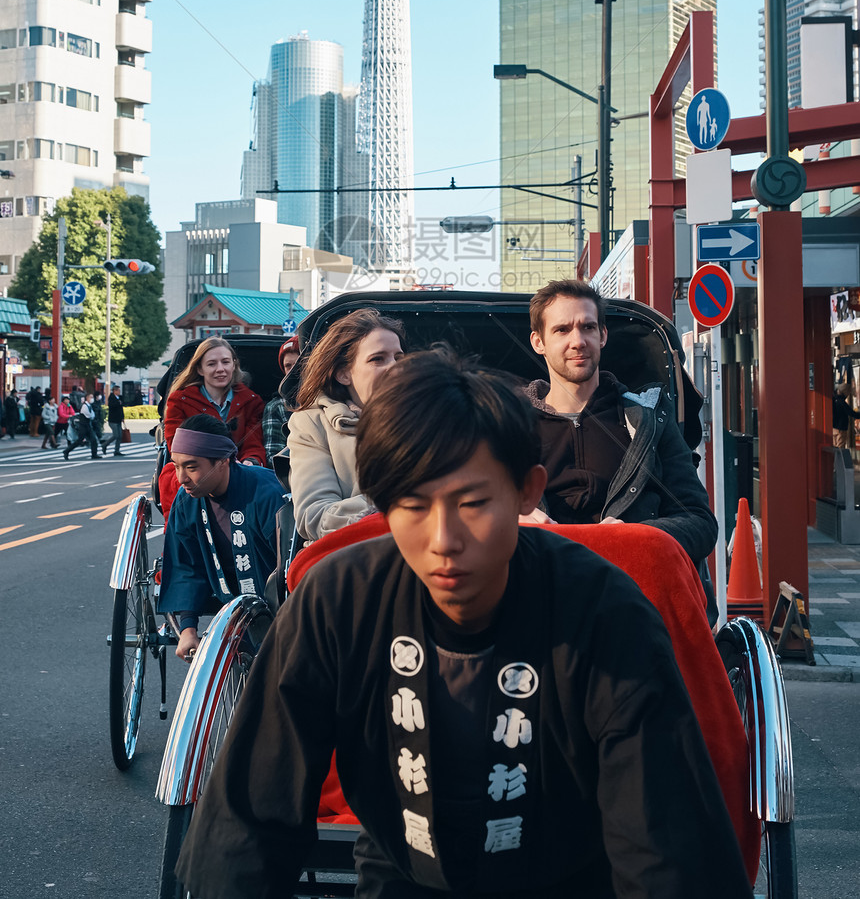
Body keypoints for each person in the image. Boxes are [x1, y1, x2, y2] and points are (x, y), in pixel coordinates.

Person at [177, 347, 754, 899]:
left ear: (527, 491)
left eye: (473, 503)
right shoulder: (338, 602)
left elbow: (664, 840)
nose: (443, 542)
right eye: (412, 505)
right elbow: (253, 812)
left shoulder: (603, 609)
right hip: (404, 878)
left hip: (572, 880)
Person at [525, 279, 717, 566]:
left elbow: (700, 523)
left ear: (602, 335)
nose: (577, 341)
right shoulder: (508, 427)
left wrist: (634, 536)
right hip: (539, 591)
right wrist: (512, 522)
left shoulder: (649, 420)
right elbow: (462, 513)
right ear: (538, 342)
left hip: (631, 590)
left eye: (587, 327)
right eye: (562, 329)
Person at [158, 413, 284, 663]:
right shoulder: (185, 501)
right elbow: (186, 566)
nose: (181, 478)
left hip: (278, 606)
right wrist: (188, 630)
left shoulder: (268, 494)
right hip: (227, 598)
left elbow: (291, 567)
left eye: (191, 467)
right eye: (176, 466)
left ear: (223, 461)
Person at [286, 308, 405, 540]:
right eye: (378, 359)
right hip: (359, 555)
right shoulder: (312, 425)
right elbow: (314, 516)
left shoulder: (434, 415)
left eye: (399, 358)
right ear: (343, 374)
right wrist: (400, 497)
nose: (395, 368)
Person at [159, 337, 267, 517]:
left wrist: (250, 461)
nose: (220, 369)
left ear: (234, 365)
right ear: (199, 369)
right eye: (211, 364)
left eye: (225, 362)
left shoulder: (251, 401)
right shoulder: (179, 400)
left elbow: (253, 444)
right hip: (194, 468)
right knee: (174, 477)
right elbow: (175, 445)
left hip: (238, 470)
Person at [261, 336, 300, 467]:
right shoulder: (277, 407)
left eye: (299, 363)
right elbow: (274, 457)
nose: (294, 370)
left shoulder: (334, 396)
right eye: (288, 366)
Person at [63, 392, 101, 460]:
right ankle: (66, 451)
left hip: (88, 426)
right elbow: (89, 415)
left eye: (92, 397)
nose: (92, 399)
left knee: (93, 440)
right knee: (79, 441)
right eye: (90, 397)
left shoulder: (89, 406)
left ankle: (94, 454)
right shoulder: (84, 406)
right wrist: (92, 416)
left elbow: (93, 415)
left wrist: (92, 416)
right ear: (87, 398)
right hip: (83, 426)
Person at [832, 383, 860, 449]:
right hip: (841, 429)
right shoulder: (842, 402)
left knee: (835, 448)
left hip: (833, 428)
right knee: (840, 449)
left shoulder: (833, 400)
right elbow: (852, 413)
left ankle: (834, 459)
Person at [102, 384, 126, 457]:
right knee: (116, 435)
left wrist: (122, 417)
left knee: (119, 436)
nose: (119, 392)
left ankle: (117, 450)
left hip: (118, 419)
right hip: (113, 420)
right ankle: (105, 444)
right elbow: (112, 406)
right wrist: (118, 403)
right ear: (114, 391)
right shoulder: (111, 398)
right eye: (118, 390)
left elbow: (121, 408)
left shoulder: (119, 398)